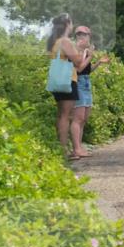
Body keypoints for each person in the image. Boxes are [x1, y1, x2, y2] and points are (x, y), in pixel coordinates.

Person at [46, 13, 84, 159]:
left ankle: (61, 148)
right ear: (68, 24)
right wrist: (80, 48)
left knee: (62, 114)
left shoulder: (55, 42)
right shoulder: (65, 42)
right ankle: (63, 150)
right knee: (66, 116)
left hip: (58, 82)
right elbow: (78, 62)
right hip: (67, 81)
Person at [70, 26, 108, 158]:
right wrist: (90, 56)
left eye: (84, 35)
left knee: (84, 118)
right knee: (78, 118)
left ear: (89, 36)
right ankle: (76, 149)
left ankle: (79, 147)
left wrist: (98, 62)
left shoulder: (84, 50)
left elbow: (87, 70)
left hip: (86, 83)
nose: (82, 37)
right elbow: (79, 69)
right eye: (79, 34)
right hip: (78, 83)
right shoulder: (75, 50)